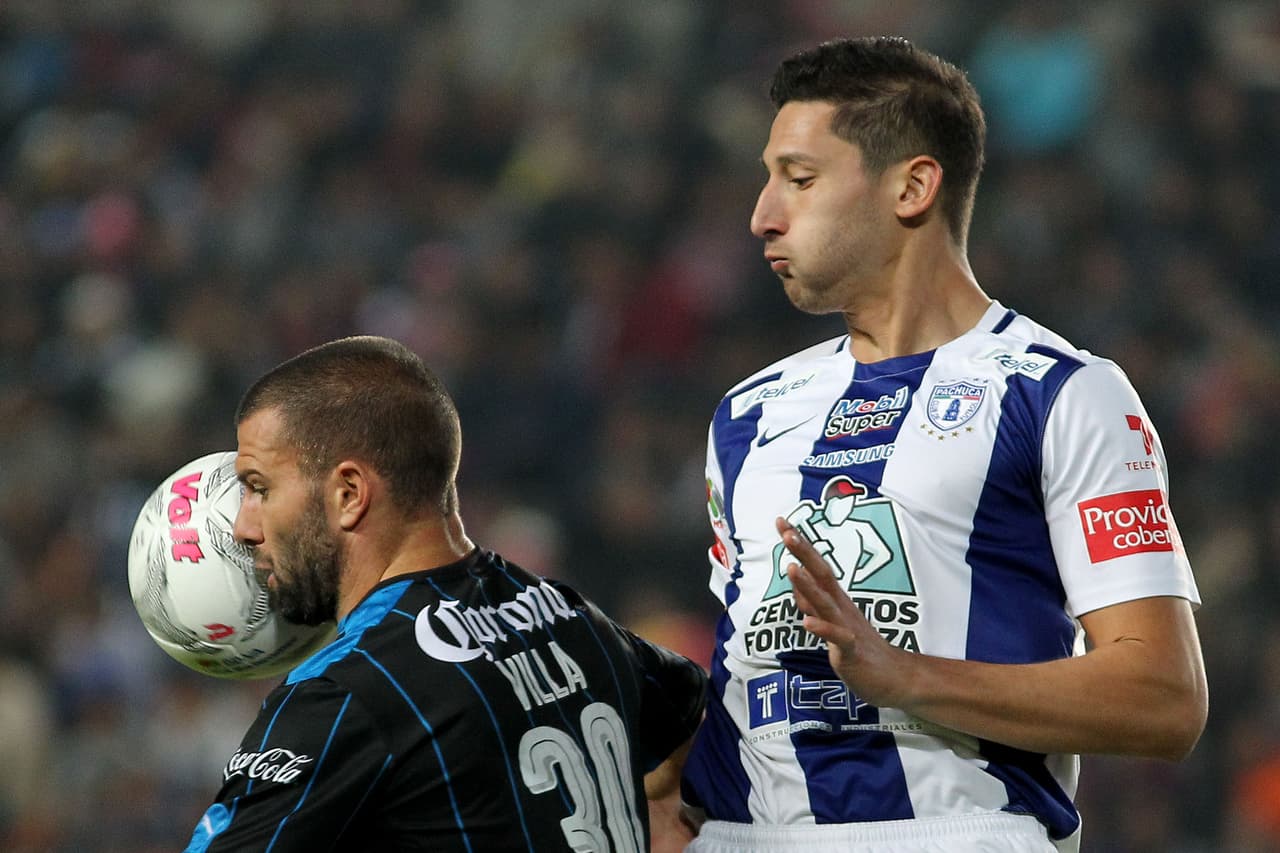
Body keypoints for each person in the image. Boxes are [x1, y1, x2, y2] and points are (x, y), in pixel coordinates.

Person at [678, 36, 1207, 853]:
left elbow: (1164, 697)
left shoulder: (1060, 394)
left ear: (913, 187)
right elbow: (746, 677)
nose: (763, 215)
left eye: (800, 178)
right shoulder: (747, 413)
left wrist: (907, 677)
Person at [182, 335, 708, 852]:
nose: (243, 526)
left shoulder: (349, 693)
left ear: (349, 493)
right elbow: (703, 717)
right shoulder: (570, 617)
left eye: (260, 488)